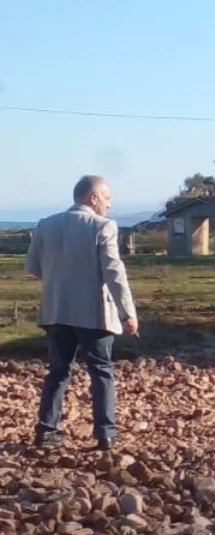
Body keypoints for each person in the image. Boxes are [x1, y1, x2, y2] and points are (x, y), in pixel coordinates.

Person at [25, 175, 139, 450]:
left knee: (58, 371)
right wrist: (128, 312)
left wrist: (55, 280)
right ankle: (105, 433)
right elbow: (114, 273)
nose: (109, 205)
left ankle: (46, 430)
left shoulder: (46, 225)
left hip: (56, 310)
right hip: (94, 313)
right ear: (93, 198)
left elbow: (31, 266)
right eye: (107, 198)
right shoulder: (103, 226)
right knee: (101, 370)